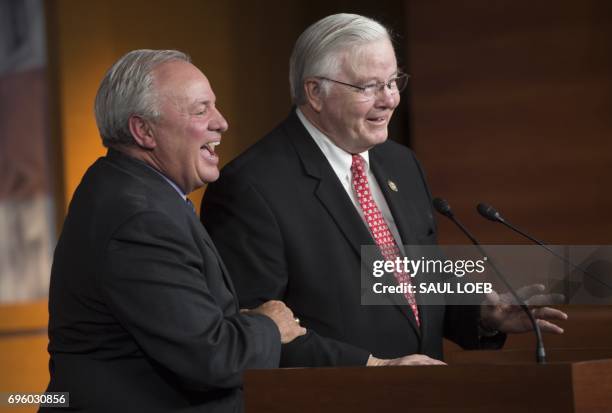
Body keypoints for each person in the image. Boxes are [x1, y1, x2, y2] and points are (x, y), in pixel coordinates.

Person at [201, 14, 566, 368]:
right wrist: (373, 367)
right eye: (369, 86)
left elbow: (411, 280)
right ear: (315, 92)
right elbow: (251, 333)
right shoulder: (251, 187)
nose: (389, 99)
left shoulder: (400, 164)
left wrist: (483, 315)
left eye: (393, 82)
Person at [42, 49, 305, 413]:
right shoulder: (140, 218)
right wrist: (270, 326)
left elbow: (183, 329)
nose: (222, 122)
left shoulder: (128, 189)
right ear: (143, 130)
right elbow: (212, 358)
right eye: (201, 109)